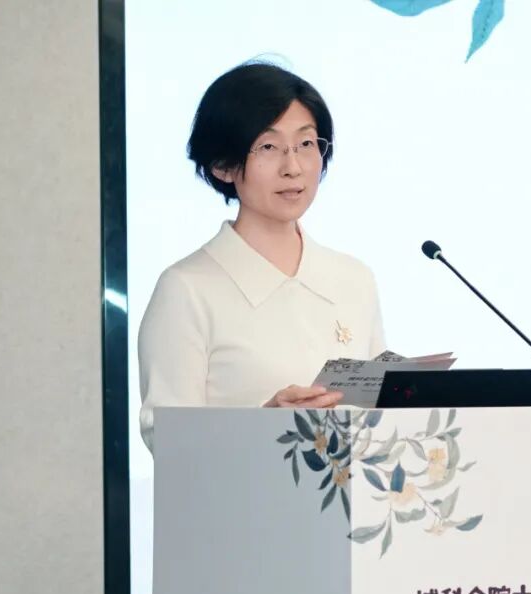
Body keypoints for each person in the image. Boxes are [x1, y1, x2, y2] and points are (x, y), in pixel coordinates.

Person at [138, 61, 386, 451]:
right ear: (222, 165)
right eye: (268, 147)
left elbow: (379, 423)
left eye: (306, 144)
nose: (293, 167)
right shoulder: (186, 290)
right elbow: (168, 443)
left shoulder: (355, 279)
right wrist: (264, 426)